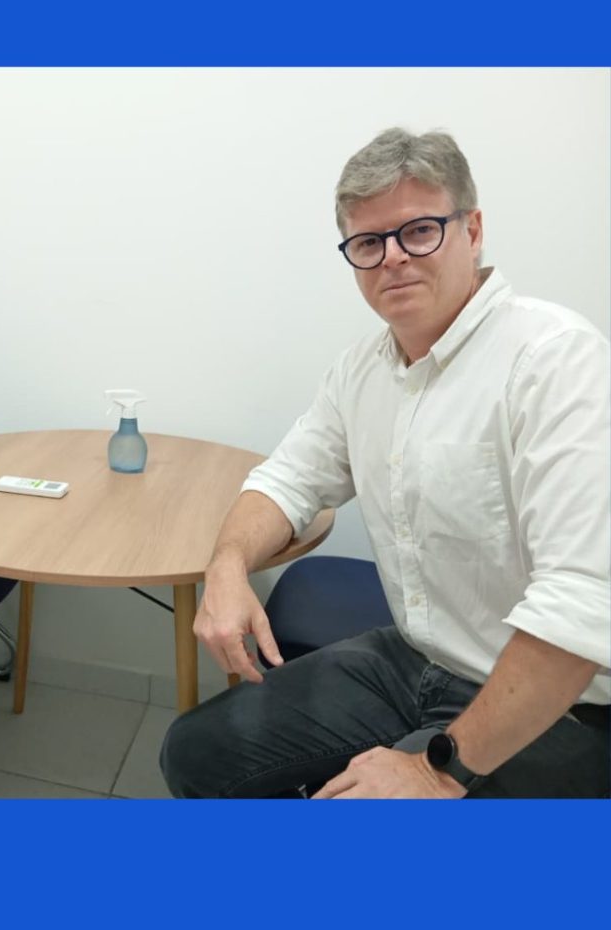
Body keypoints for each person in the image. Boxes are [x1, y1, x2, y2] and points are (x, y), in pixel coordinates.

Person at [161, 127, 610, 798]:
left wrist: (434, 770)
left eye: (419, 231)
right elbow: (287, 481)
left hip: (561, 702)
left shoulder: (556, 360)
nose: (393, 258)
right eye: (369, 243)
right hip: (415, 659)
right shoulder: (364, 371)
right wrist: (226, 566)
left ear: (473, 230)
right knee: (197, 752)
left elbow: (580, 607)